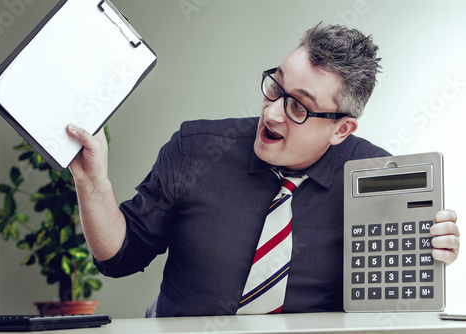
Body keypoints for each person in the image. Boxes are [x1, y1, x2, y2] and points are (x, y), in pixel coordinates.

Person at [66, 23, 459, 317]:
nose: (271, 112)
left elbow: (390, 306)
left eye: (299, 107)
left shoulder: (374, 178)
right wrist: (92, 183)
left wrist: (425, 255)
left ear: (341, 129)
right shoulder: (195, 148)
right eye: (276, 86)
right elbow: (119, 258)